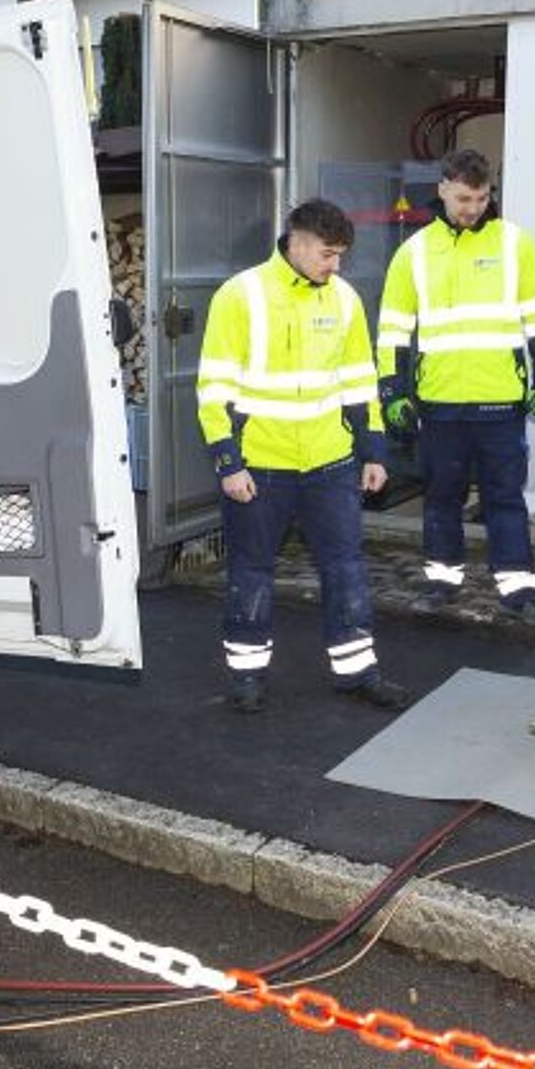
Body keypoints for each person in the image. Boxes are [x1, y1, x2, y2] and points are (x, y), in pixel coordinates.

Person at [195, 199, 408, 715]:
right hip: (259, 465)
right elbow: (214, 386)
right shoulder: (240, 295)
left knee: (346, 569)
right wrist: (228, 461)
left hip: (330, 463)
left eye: (341, 256)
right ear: (298, 241)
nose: (335, 266)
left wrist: (373, 450)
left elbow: (360, 381)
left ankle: (358, 672)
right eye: (329, 255)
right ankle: (246, 678)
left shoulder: (345, 300)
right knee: (252, 571)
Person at [375, 149, 535, 626]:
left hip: (501, 401)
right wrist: (394, 392)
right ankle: (442, 581)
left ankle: (518, 590)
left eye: (481, 198)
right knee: (442, 497)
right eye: (463, 198)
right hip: (439, 403)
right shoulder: (413, 253)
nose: (473, 207)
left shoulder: (515, 244)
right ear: (442, 189)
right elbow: (394, 329)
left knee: (505, 499)